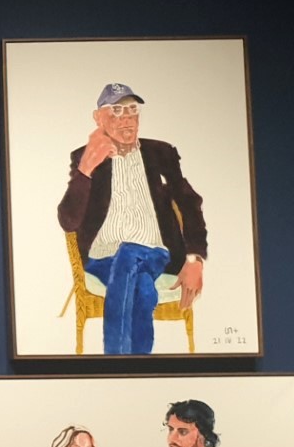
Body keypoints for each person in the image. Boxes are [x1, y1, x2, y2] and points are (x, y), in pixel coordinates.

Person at [56, 83, 208, 354]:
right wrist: (86, 170)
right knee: (144, 288)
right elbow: (68, 221)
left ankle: (114, 362)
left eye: (132, 110)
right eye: (117, 110)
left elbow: (189, 202)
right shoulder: (84, 157)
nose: (127, 118)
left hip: (157, 255)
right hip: (102, 259)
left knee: (129, 252)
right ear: (98, 118)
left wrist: (195, 259)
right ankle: (138, 364)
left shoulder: (160, 153)